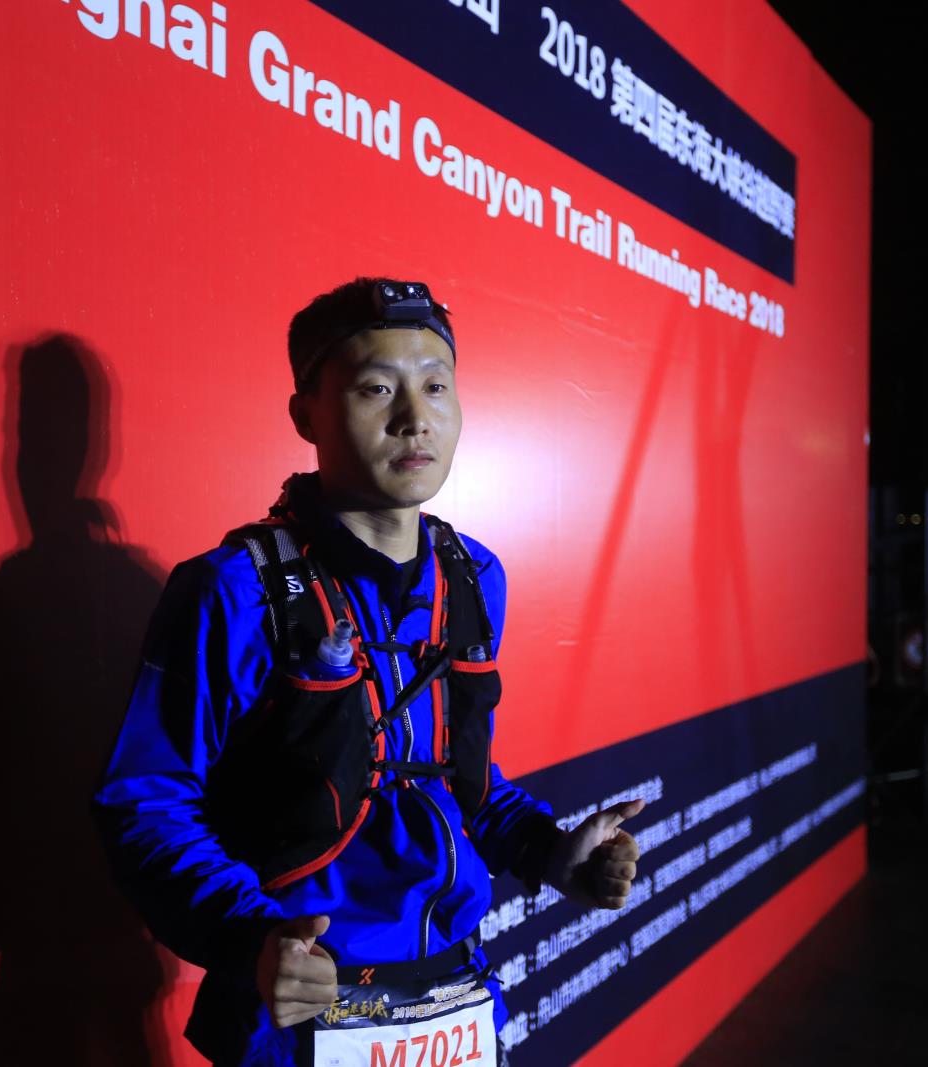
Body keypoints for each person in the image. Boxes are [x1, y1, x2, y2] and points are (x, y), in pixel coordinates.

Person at [94, 277, 645, 1066]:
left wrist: (550, 852)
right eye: (376, 387)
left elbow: (450, 779)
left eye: (436, 386)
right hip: (300, 1019)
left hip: (456, 1003)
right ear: (305, 414)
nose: (415, 417)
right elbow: (145, 801)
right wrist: (252, 937)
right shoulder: (236, 588)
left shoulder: (472, 575)